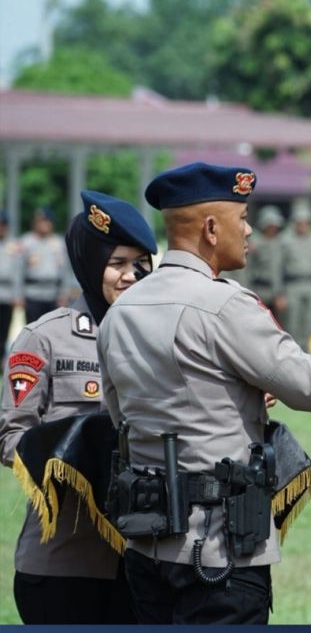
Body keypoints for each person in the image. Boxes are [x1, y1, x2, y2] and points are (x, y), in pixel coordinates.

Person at [96, 162, 311, 625]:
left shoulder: (122, 309)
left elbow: (120, 416)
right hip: (217, 552)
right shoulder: (225, 305)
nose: (250, 229)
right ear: (212, 229)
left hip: (147, 542)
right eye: (243, 218)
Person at [0, 190, 158, 624]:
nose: (130, 276)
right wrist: (75, 457)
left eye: (138, 264)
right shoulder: (44, 338)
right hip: (65, 561)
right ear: (89, 265)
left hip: (145, 558)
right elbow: (10, 436)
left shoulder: (161, 338)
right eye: (116, 263)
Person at [279, 200, 311, 350]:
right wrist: (280, 293)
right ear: (294, 222)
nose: (303, 225)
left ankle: (306, 355)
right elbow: (278, 268)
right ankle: (293, 355)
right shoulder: (285, 240)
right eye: (299, 221)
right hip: (292, 285)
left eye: (306, 221)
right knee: (292, 324)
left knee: (310, 323)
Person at [15, 207, 70, 323]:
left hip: (53, 294)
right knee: (33, 330)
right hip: (32, 293)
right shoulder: (26, 242)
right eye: (42, 221)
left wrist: (64, 293)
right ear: (35, 223)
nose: (45, 224)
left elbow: (64, 270)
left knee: (53, 331)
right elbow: (18, 270)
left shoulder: (58, 243)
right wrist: (18, 294)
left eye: (47, 221)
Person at [245, 204, 286, 320]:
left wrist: (280, 294)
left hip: (278, 293)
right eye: (269, 225)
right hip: (259, 290)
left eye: (274, 225)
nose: (272, 228)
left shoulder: (282, 243)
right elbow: (248, 269)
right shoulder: (254, 243)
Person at [0, 211, 19, 360]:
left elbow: (18, 273)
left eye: (3, 225)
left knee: (4, 332)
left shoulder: (14, 246)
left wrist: (17, 294)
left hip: (7, 295)